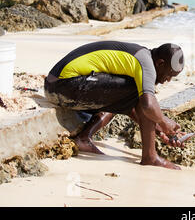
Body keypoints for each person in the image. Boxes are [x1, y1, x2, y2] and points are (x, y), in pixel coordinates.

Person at [44, 40, 187, 170]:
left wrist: (161, 131)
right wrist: (163, 121)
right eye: (169, 75)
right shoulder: (146, 63)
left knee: (137, 92)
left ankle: (84, 138)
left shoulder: (141, 57)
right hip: (62, 86)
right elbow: (147, 105)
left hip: (56, 86)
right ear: (160, 63)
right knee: (139, 92)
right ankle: (150, 157)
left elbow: (129, 107)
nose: (167, 80)